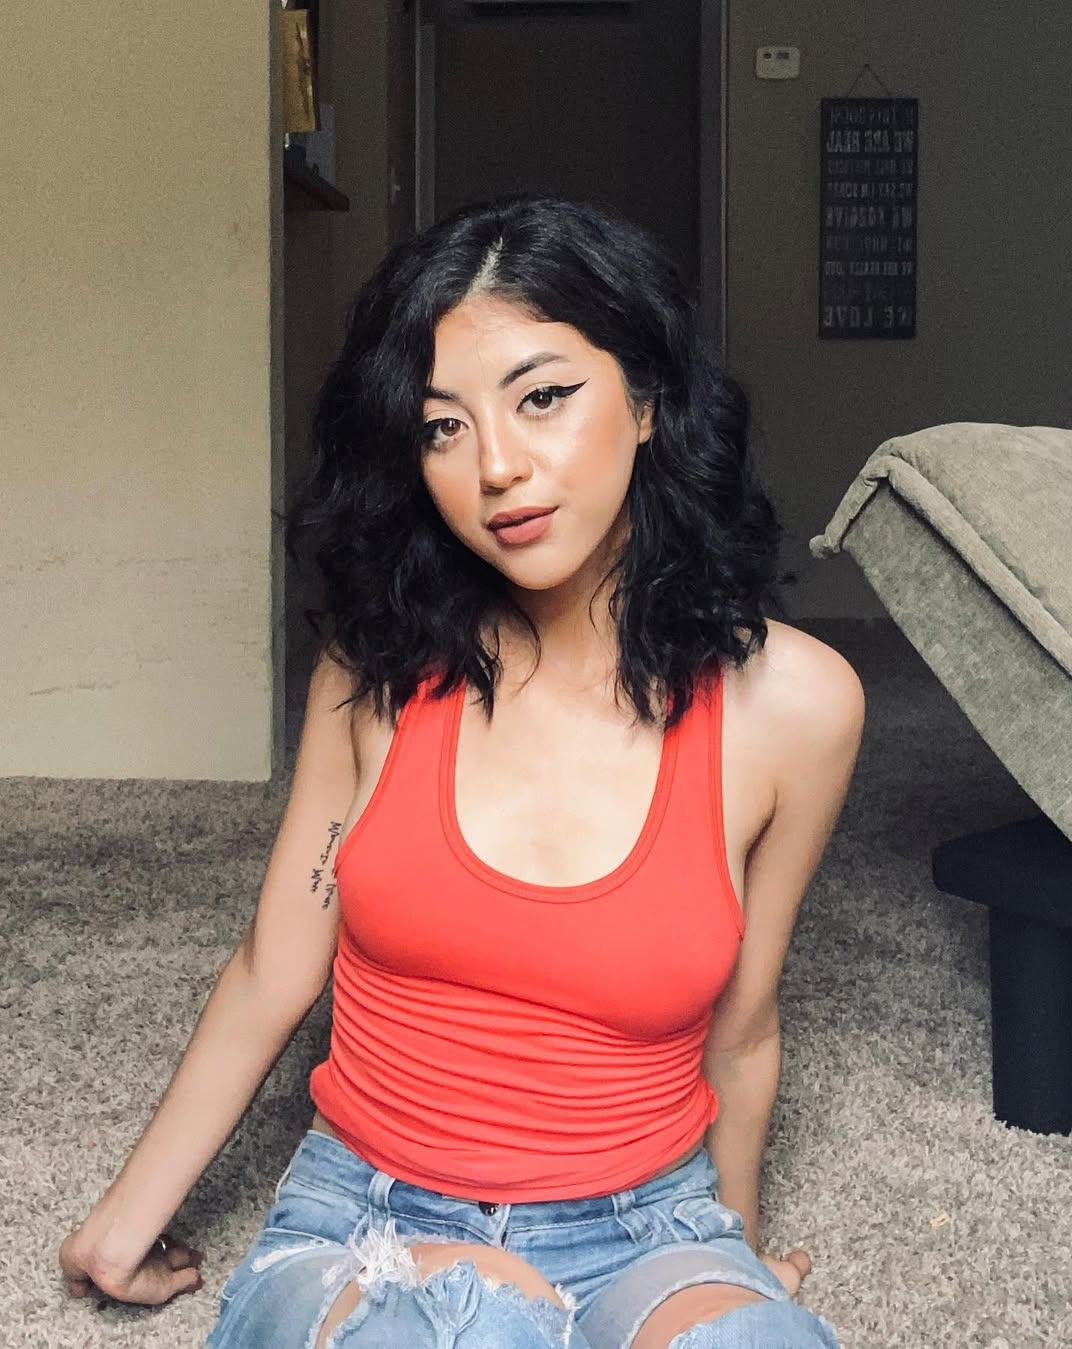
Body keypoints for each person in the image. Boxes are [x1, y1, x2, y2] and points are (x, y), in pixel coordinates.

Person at [59, 194, 863, 1348]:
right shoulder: (379, 664)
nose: (496, 465)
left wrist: (734, 1260)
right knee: (460, 1327)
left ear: (647, 400)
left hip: (648, 1226)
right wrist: (121, 1222)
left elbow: (739, 1035)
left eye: (543, 397)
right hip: (375, 1220)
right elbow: (274, 966)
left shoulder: (796, 705)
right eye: (443, 426)